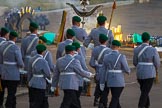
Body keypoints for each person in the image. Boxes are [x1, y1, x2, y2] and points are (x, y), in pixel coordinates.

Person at [133, 32, 160, 108]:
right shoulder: (153, 50)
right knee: (145, 92)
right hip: (149, 73)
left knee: (144, 90)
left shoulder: (136, 49)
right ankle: (141, 106)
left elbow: (135, 62)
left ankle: (147, 105)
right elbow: (157, 63)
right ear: (149, 39)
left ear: (142, 39)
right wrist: (156, 69)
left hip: (139, 73)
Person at [100, 40, 130, 108]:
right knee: (115, 98)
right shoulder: (121, 56)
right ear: (118, 47)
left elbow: (103, 70)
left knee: (115, 97)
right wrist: (128, 71)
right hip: (118, 80)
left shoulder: (106, 56)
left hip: (109, 79)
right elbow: (126, 69)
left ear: (111, 46)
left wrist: (102, 82)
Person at [0, 31, 24, 108]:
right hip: (13, 74)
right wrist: (22, 66)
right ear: (15, 38)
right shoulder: (16, 48)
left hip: (3, 73)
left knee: (2, 91)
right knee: (11, 93)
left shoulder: (3, 46)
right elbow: (20, 62)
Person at [89, 34, 112, 107]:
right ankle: (103, 102)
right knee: (105, 87)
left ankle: (96, 99)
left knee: (98, 84)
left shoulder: (95, 49)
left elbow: (91, 62)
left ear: (99, 40)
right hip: (106, 71)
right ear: (106, 41)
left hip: (98, 70)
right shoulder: (109, 50)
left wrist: (96, 67)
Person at [27, 44, 51, 108]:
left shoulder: (31, 59)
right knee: (40, 101)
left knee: (33, 100)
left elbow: (29, 72)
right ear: (43, 52)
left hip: (32, 82)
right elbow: (48, 73)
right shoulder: (44, 61)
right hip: (40, 84)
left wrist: (28, 82)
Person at [20, 22, 39, 86]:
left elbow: (22, 53)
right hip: (34, 60)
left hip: (26, 59)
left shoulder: (24, 39)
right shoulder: (38, 40)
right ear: (36, 29)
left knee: (27, 76)